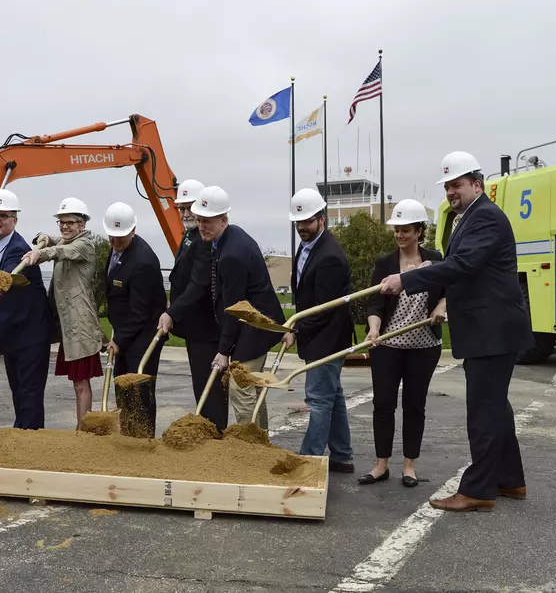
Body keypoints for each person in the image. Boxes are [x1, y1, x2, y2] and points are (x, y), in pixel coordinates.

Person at [380, 152, 534, 512]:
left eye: (457, 184)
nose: (451, 191)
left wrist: (405, 279)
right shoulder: (469, 217)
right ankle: (511, 481)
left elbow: (461, 266)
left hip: (491, 331)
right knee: (496, 409)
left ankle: (478, 490)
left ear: (477, 184)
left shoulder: (486, 218)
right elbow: (458, 265)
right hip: (488, 331)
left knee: (483, 411)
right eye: (447, 186)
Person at [362, 198, 447, 487]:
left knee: (414, 404)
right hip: (387, 345)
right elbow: (374, 304)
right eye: (396, 230)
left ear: (419, 231)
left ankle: (409, 466)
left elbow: (450, 289)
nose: (400, 235)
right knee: (383, 403)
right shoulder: (384, 263)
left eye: (406, 230)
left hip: (424, 347)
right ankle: (380, 465)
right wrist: (374, 329)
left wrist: (441, 307)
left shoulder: (435, 259)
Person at [191, 186, 284, 430]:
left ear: (224, 219)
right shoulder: (231, 236)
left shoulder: (232, 254)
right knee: (251, 385)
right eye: (199, 220)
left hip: (254, 326)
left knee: (240, 386)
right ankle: (260, 440)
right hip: (253, 322)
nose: (201, 226)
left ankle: (248, 446)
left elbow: (235, 308)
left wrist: (223, 351)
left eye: (207, 221)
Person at [281, 189, 355, 473]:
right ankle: (342, 455)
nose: (302, 228)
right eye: (298, 223)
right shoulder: (308, 246)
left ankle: (308, 459)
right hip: (319, 335)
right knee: (332, 396)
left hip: (327, 337)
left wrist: (296, 330)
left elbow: (324, 308)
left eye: (307, 222)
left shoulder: (330, 256)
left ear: (321, 219)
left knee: (319, 399)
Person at [21, 197, 105, 427]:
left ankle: (83, 432)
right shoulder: (68, 239)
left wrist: (40, 253)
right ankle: (82, 429)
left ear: (82, 225)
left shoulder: (84, 245)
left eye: (70, 222)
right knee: (77, 382)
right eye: (61, 222)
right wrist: (42, 237)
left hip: (81, 327)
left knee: (81, 383)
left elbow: (61, 251)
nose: (65, 226)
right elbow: (53, 240)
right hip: (69, 329)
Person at [158, 179, 227, 432]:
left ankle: (215, 436)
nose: (185, 214)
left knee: (210, 390)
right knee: (201, 386)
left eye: (190, 208)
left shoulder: (204, 240)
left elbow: (198, 285)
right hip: (194, 329)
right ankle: (209, 434)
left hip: (206, 329)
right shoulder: (190, 235)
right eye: (182, 208)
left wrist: (172, 311)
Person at [0, 189, 52, 430]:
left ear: (15, 220)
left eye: (3, 215)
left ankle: (29, 441)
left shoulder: (17, 249)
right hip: (14, 335)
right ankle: (22, 435)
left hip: (30, 335)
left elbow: (5, 278)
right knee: (19, 392)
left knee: (29, 393)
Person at [103, 202, 167, 437]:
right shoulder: (116, 247)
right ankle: (127, 435)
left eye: (120, 237)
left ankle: (143, 439)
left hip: (143, 336)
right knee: (122, 386)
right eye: (111, 236)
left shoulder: (143, 262)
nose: (115, 242)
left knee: (139, 389)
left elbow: (140, 312)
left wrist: (119, 339)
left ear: (133, 230)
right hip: (126, 331)